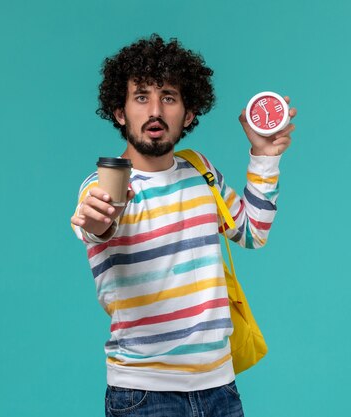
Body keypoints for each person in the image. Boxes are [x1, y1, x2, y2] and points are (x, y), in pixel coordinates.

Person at [70, 34, 296, 417]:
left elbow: (253, 233)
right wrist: (95, 220)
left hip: (220, 389)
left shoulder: (200, 170)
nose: (155, 110)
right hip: (144, 396)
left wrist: (264, 156)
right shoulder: (107, 186)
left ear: (188, 113)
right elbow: (98, 222)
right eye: (141, 96)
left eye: (169, 97)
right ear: (120, 112)